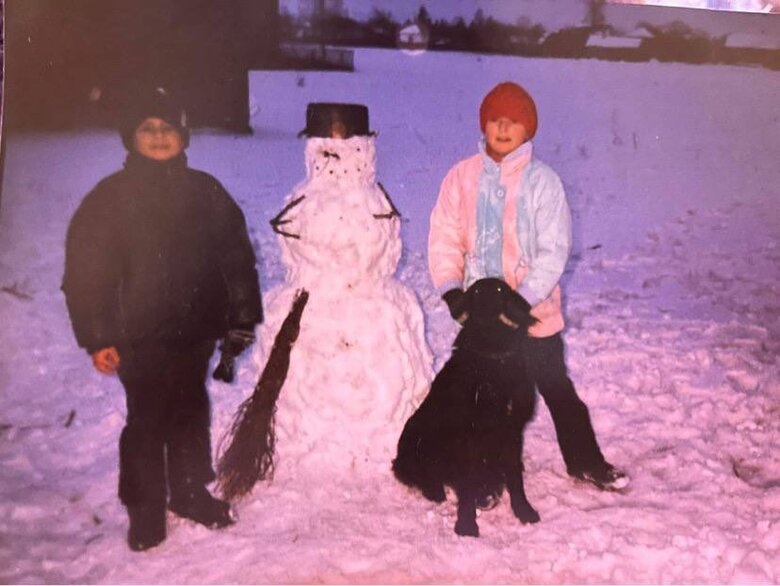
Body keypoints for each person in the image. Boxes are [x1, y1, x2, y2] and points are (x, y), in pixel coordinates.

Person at [62, 87, 263, 552]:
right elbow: (85, 273)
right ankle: (145, 507)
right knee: (147, 419)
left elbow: (236, 259)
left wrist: (241, 319)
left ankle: (190, 492)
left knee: (191, 412)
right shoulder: (109, 198)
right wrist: (97, 336)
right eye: (147, 128)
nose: (158, 136)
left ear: (184, 135)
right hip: (137, 335)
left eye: (167, 127)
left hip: (194, 331)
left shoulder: (205, 191)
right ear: (130, 137)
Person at [428, 81, 628, 491]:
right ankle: (482, 478)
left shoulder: (543, 183)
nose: (503, 128)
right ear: (484, 125)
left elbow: (554, 250)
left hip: (533, 316)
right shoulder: (461, 178)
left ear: (527, 129)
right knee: (483, 399)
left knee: (556, 387)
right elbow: (444, 236)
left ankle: (586, 461)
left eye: (513, 121)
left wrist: (523, 300)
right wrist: (452, 290)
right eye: (495, 119)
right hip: (483, 319)